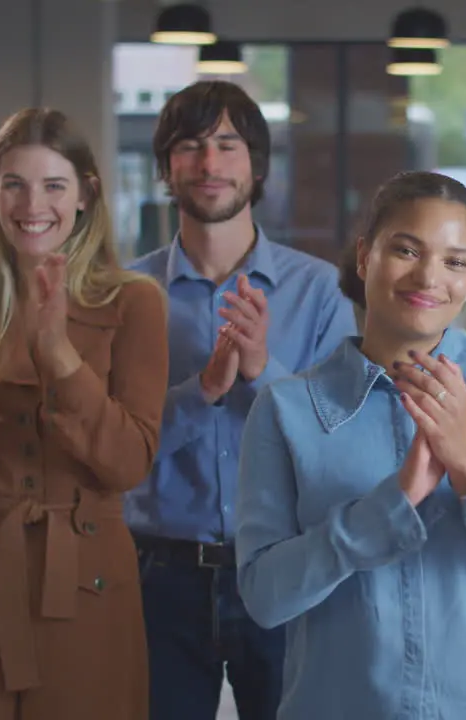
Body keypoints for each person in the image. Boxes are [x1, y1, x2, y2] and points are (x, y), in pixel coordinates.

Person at [233, 170, 466, 718]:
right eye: (407, 250)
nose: (429, 276)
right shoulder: (285, 410)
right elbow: (266, 599)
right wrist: (393, 503)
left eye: (456, 261)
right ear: (365, 257)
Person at [0, 107, 169, 720]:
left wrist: (59, 356)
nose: (34, 204)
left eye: (54, 185)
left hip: (87, 584)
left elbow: (129, 463)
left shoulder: (133, 303)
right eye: (14, 184)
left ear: (86, 195)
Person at [126, 80, 357, 720]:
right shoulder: (127, 296)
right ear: (166, 169)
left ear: (256, 167)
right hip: (157, 575)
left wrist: (262, 372)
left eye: (228, 144)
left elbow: (339, 443)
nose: (209, 163)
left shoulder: (319, 293)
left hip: (285, 565)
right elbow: (118, 450)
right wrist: (203, 392)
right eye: (190, 146)